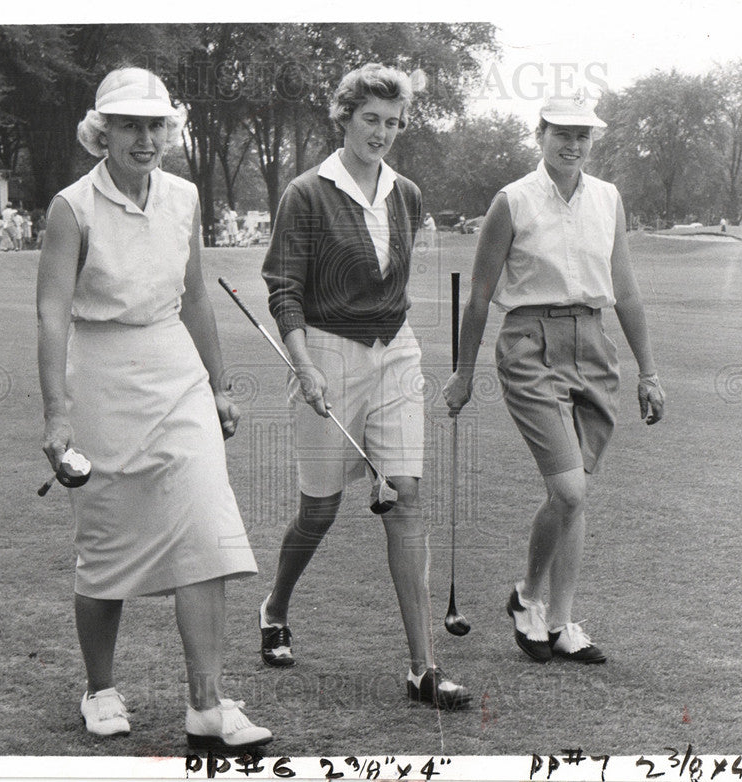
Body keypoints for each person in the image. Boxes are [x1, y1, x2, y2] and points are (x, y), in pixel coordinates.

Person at [36, 66, 272, 750]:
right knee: (107, 545)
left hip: (177, 371)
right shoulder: (70, 206)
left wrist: (219, 384)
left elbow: (195, 296)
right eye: (130, 125)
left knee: (206, 527)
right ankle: (100, 688)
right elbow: (52, 314)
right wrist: (57, 415)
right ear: (101, 131)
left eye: (156, 125)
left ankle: (206, 703)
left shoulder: (185, 196)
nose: (145, 138)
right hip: (102, 376)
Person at [259, 63, 471, 710]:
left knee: (405, 494)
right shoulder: (306, 192)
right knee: (319, 510)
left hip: (394, 350)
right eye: (370, 119)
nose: (382, 132)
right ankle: (274, 608)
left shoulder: (406, 193)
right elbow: (285, 290)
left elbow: (393, 284)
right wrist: (304, 365)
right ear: (344, 118)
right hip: (325, 350)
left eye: (392, 122)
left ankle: (422, 669)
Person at [443, 92, 666, 666]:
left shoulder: (610, 199)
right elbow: (479, 297)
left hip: (592, 343)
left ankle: (555, 616)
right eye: (561, 134)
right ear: (539, 135)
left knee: (573, 495)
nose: (572, 145)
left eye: (583, 136)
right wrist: (464, 374)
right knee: (569, 490)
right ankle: (528, 599)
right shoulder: (511, 201)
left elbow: (627, 290)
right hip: (528, 344)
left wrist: (649, 371)